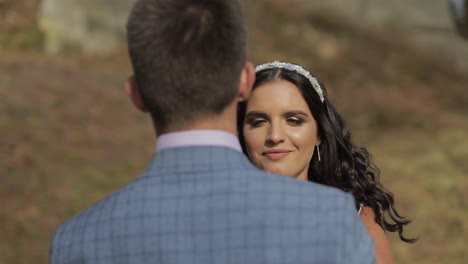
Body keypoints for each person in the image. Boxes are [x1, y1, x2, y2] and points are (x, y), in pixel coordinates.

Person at [49, 1, 375, 263]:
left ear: (136, 94)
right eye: (260, 121)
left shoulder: (77, 241)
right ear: (245, 82)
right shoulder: (329, 219)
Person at [238, 61, 417, 264]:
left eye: (294, 120)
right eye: (258, 122)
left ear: (319, 134)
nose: (275, 136)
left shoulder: (355, 219)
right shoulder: (222, 215)